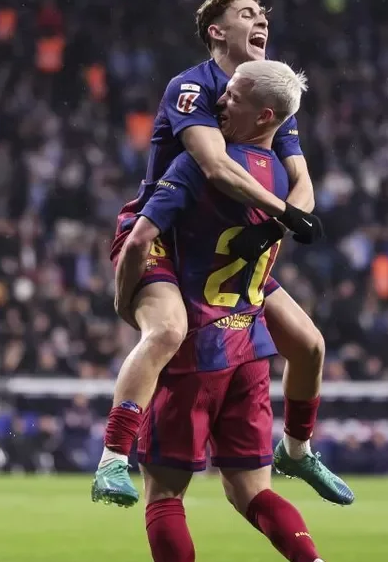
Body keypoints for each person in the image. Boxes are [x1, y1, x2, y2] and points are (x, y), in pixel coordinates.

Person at [96, 0, 352, 508]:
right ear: (218, 31)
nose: (261, 21)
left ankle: (297, 451)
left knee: (309, 344)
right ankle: (112, 461)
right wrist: (285, 215)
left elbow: (300, 178)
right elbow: (214, 166)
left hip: (227, 244)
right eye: (247, 13)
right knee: (167, 329)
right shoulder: (192, 87)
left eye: (264, 14)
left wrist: (285, 221)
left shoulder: (264, 88)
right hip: (168, 234)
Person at [110, 60, 327, 562]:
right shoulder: (284, 180)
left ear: (263, 114)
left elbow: (142, 237)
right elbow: (297, 213)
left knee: (164, 496)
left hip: (196, 349)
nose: (220, 102)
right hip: (251, 349)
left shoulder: (204, 164)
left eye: (233, 96)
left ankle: (111, 453)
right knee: (253, 492)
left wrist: (125, 298)